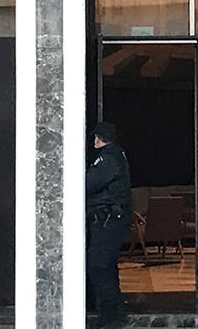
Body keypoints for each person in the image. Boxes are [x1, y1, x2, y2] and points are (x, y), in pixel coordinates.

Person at [86, 121, 131, 327]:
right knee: (105, 266)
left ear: (99, 139)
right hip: (109, 220)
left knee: (99, 266)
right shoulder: (115, 156)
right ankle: (114, 313)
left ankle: (111, 316)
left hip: (108, 221)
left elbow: (88, 184)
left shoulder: (108, 158)